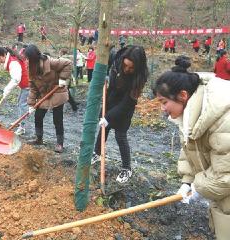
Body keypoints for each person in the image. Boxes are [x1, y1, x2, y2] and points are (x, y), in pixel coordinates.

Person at [154, 56, 230, 240]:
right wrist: (187, 182)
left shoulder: (221, 117)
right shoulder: (189, 115)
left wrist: (199, 186)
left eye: (164, 102)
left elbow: (226, 176)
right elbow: (191, 149)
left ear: (182, 95)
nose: (162, 109)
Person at [92, 45, 149, 183]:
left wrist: (109, 117)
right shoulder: (117, 60)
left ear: (138, 67)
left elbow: (128, 102)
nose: (127, 69)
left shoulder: (140, 77)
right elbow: (108, 64)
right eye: (125, 65)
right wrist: (103, 112)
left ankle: (126, 168)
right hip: (111, 98)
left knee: (120, 135)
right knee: (103, 129)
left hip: (125, 106)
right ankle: (97, 153)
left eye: (131, 68)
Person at [24, 45, 72, 153]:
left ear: (33, 58)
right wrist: (31, 104)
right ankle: (39, 139)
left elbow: (68, 63)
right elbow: (33, 88)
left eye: (27, 58)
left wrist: (63, 79)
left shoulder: (50, 62)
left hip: (57, 91)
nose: (26, 61)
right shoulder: (31, 68)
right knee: (38, 116)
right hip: (44, 95)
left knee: (57, 119)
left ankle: (60, 144)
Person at [0, 47, 29, 135]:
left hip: (28, 85)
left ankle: (22, 127)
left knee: (22, 105)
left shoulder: (13, 62)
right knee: (19, 103)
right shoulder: (12, 60)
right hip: (25, 85)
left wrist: (7, 89)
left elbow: (16, 79)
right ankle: (19, 122)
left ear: (3, 55)